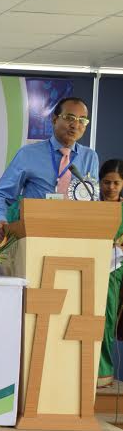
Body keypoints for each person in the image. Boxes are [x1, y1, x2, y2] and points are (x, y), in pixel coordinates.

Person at [0, 97, 100, 239]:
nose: (75, 125)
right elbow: (1, 195)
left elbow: (93, 201)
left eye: (82, 120)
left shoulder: (90, 157)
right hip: (34, 234)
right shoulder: (28, 154)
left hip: (76, 235)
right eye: (69, 118)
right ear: (54, 119)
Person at [99, 159, 123, 387]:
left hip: (115, 272)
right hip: (90, 267)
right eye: (106, 182)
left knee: (107, 320)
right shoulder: (90, 207)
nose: (111, 188)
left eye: (116, 183)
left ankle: (103, 371)